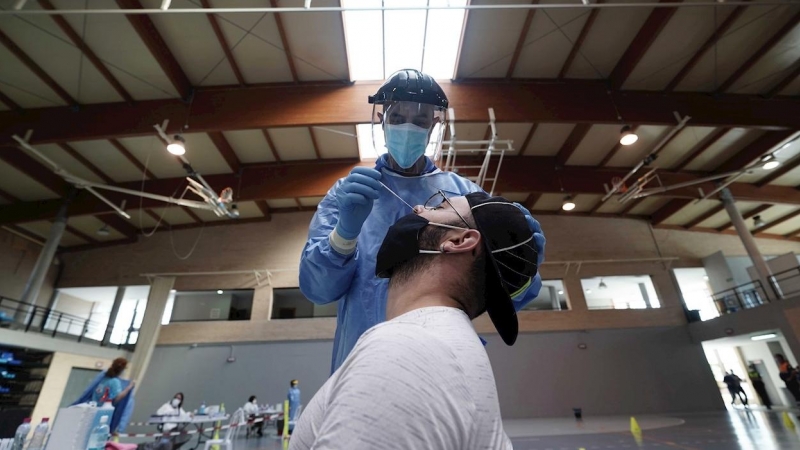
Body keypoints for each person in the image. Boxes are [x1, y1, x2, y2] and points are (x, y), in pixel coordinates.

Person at [299, 69, 546, 372]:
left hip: (438, 354)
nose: (407, 127)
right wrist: (344, 235)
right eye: (398, 117)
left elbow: (499, 295)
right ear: (381, 120)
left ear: (435, 124)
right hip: (363, 357)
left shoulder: (465, 196)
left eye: (420, 121)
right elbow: (318, 290)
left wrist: (520, 269)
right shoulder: (349, 194)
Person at [290, 192, 538, 449]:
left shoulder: (408, 350)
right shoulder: (438, 344)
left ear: (459, 240)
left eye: (439, 206)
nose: (418, 207)